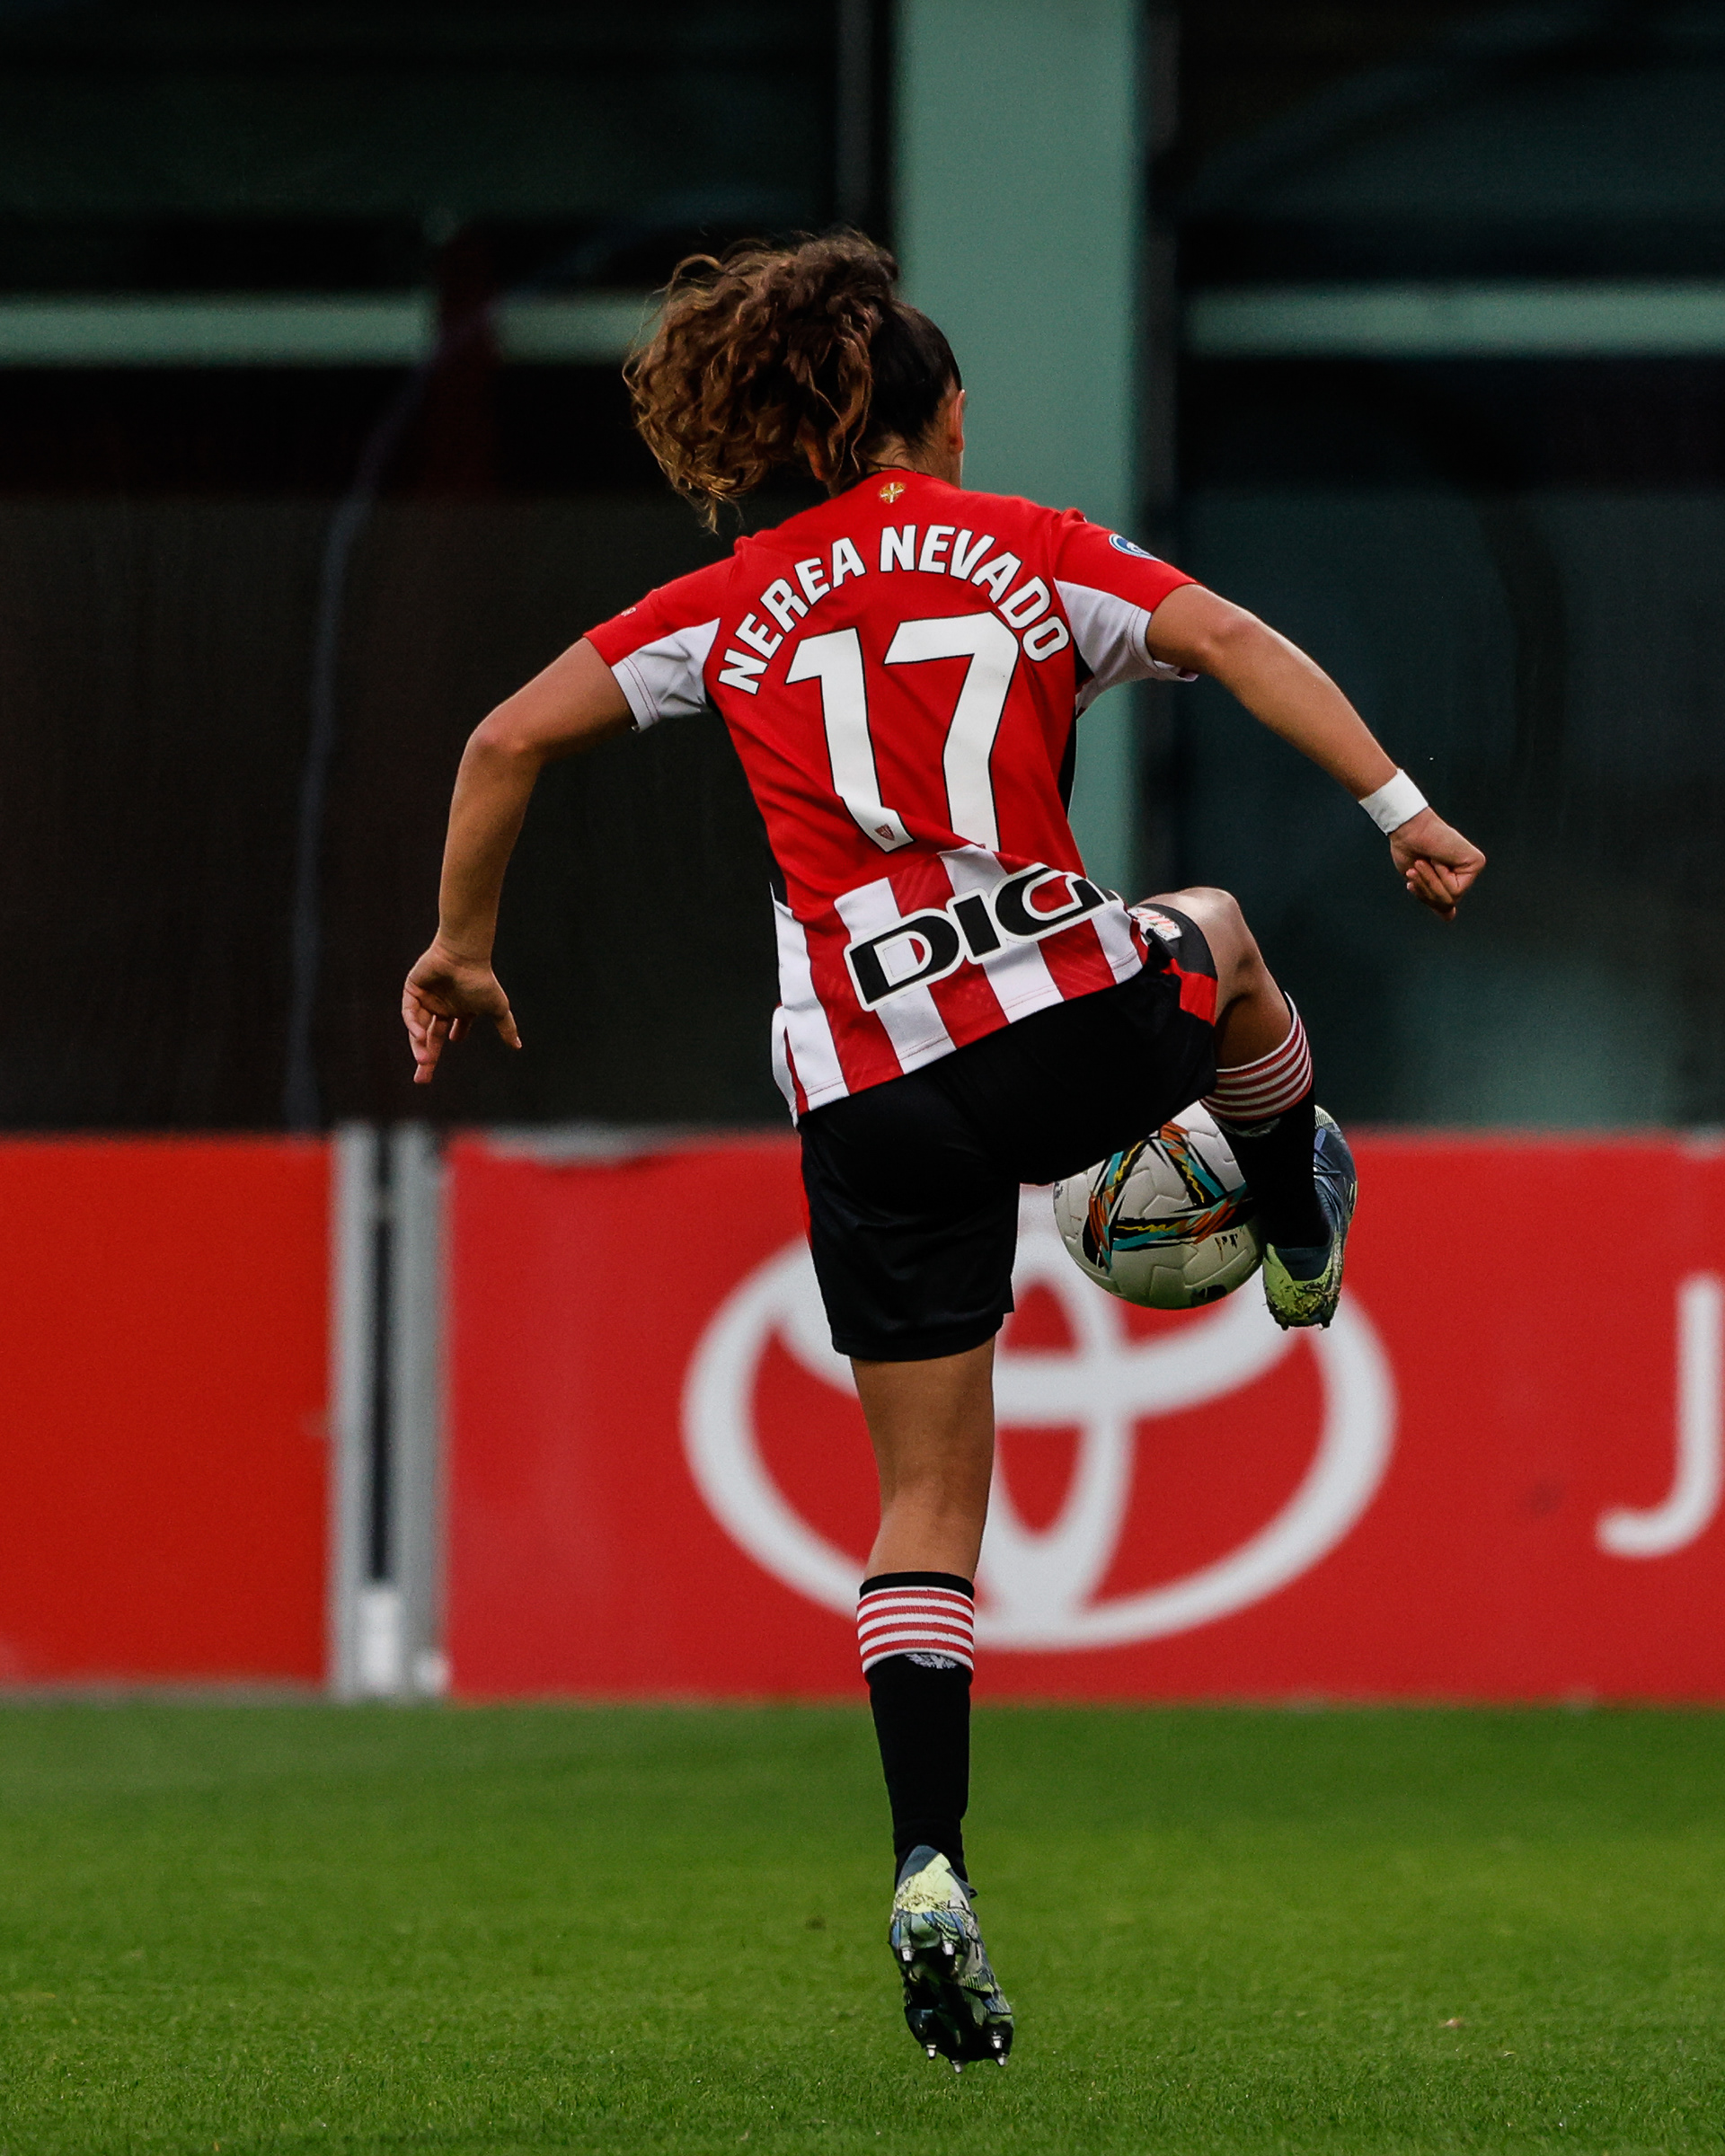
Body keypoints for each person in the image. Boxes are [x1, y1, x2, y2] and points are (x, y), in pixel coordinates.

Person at [401, 234, 1486, 2071]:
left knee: (926, 1506)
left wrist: (460, 948)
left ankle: (927, 1860)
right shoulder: (1034, 550)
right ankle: (1296, 1215)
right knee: (1223, 934)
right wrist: (1401, 806)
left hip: (869, 1090)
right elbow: (1229, 641)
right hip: (1056, 1027)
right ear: (946, 415)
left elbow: (505, 738)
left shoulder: (729, 599)